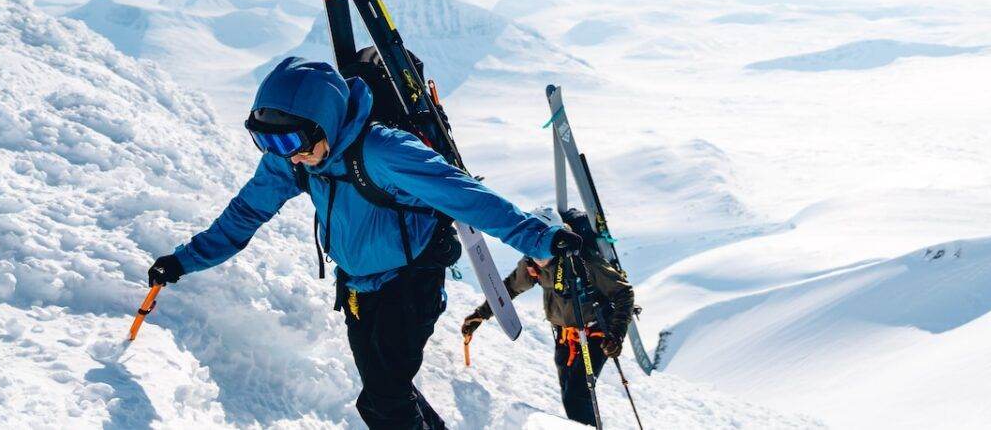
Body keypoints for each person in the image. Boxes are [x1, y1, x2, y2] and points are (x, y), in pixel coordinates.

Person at [146, 57, 584, 429]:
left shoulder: (385, 152)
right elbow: (245, 214)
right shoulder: (292, 160)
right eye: (266, 141)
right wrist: (184, 261)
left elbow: (466, 197)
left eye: (290, 140)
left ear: (324, 122)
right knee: (385, 393)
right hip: (357, 286)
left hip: (410, 282)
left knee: (384, 398)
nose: (284, 153)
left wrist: (537, 237)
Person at [461, 208, 635, 426]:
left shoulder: (582, 259)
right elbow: (509, 289)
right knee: (570, 394)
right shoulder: (532, 265)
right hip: (564, 336)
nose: (536, 253)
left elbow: (623, 292)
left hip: (595, 332)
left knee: (577, 395)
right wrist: (481, 314)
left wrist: (616, 334)